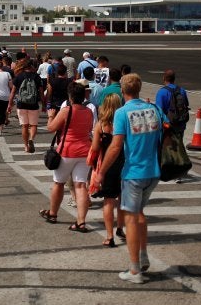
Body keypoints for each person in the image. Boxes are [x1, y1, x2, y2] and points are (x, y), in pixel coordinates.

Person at [92, 73, 165, 284]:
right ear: (139, 89)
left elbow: (115, 146)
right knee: (139, 213)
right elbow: (166, 133)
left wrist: (101, 172)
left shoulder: (122, 113)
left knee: (131, 218)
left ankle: (134, 271)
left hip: (133, 172)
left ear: (122, 91)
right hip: (153, 171)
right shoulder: (155, 109)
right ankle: (142, 255)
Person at [39, 82, 94, 232]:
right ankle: (81, 221)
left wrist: (50, 116)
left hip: (67, 151)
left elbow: (51, 128)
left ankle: (53, 214)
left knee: (59, 183)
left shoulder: (66, 110)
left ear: (70, 97)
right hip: (84, 151)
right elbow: (89, 129)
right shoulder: (88, 112)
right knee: (81, 185)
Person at [88, 93, 126, 247]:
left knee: (108, 201)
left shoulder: (101, 125)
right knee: (122, 200)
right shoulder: (123, 123)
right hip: (124, 164)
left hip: (107, 166)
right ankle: (120, 228)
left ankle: (109, 236)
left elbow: (96, 148)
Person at [7, 58, 44, 153]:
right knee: (33, 125)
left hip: (21, 104)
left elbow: (13, 92)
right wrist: (43, 104)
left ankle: (26, 146)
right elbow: (41, 93)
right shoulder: (36, 77)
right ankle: (31, 139)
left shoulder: (19, 77)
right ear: (31, 66)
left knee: (24, 126)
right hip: (33, 104)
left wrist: (10, 104)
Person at [155, 69, 190, 136]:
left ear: (163, 78)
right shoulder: (182, 90)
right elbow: (186, 105)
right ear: (174, 79)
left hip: (168, 127)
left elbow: (159, 112)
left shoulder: (162, 92)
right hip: (180, 125)